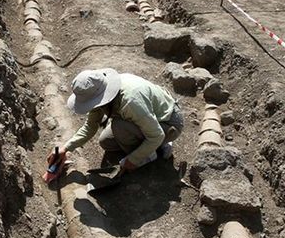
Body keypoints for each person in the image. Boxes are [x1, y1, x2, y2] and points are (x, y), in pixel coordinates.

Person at [48, 68, 184, 173]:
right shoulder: (99, 93)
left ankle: (153, 152)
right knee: (106, 142)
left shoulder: (131, 101)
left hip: (168, 122)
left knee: (119, 127)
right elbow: (90, 126)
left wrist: (133, 160)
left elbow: (156, 135)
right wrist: (66, 148)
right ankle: (148, 146)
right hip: (147, 117)